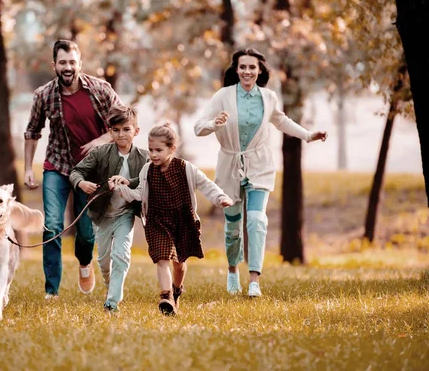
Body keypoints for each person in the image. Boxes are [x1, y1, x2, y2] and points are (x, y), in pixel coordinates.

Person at [194, 47, 328, 298]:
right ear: (236, 70)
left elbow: (281, 121)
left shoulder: (268, 97)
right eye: (242, 67)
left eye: (252, 67)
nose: (247, 71)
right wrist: (214, 124)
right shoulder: (222, 96)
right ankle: (233, 270)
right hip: (230, 165)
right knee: (233, 227)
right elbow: (198, 127)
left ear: (259, 71)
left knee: (256, 220)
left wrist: (308, 135)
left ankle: (254, 279)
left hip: (260, 165)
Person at [24, 39, 123, 299]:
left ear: (80, 63)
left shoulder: (101, 90)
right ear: (54, 65)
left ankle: (84, 262)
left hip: (91, 171)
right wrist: (27, 169)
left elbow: (125, 122)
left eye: (72, 62)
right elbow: (33, 132)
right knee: (53, 226)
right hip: (57, 166)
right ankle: (51, 291)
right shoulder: (43, 95)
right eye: (62, 62)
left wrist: (100, 141)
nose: (67, 67)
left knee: (86, 233)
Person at [111, 123, 233, 315]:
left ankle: (176, 291)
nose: (153, 154)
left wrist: (220, 198)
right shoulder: (147, 170)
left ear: (172, 149)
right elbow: (139, 194)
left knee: (179, 264)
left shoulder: (186, 168)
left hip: (182, 221)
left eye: (159, 150)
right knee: (162, 258)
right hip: (157, 221)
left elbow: (206, 184)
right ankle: (166, 296)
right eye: (151, 150)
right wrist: (121, 189)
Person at [69, 105, 149, 313]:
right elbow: (76, 171)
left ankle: (112, 303)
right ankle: (109, 285)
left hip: (126, 214)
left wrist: (127, 182)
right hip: (102, 215)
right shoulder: (100, 153)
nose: (121, 134)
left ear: (136, 131)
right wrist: (82, 184)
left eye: (126, 129)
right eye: (116, 130)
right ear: (110, 131)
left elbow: (146, 180)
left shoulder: (144, 157)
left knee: (121, 255)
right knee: (104, 261)